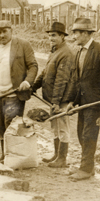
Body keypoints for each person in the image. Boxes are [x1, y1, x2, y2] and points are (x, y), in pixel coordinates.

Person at [0, 20, 38, 161]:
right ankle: (5, 154)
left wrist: (27, 81)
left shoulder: (23, 45)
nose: (1, 35)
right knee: (1, 126)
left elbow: (33, 66)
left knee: (11, 127)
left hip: (14, 94)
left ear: (11, 31)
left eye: (4, 31)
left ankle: (14, 157)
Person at [66, 17, 100, 181]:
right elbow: (75, 79)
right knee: (80, 134)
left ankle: (85, 169)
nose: (74, 37)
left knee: (88, 135)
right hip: (82, 101)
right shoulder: (78, 52)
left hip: (95, 101)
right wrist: (71, 101)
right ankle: (88, 166)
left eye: (76, 33)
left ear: (85, 34)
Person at [32, 21, 76, 168]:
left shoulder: (66, 54)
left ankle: (62, 159)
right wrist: (34, 86)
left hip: (61, 99)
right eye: (50, 35)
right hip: (52, 99)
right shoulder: (54, 51)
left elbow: (61, 80)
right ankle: (56, 155)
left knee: (62, 127)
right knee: (55, 127)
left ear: (63, 36)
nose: (51, 38)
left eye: (54, 35)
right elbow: (45, 72)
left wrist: (56, 102)